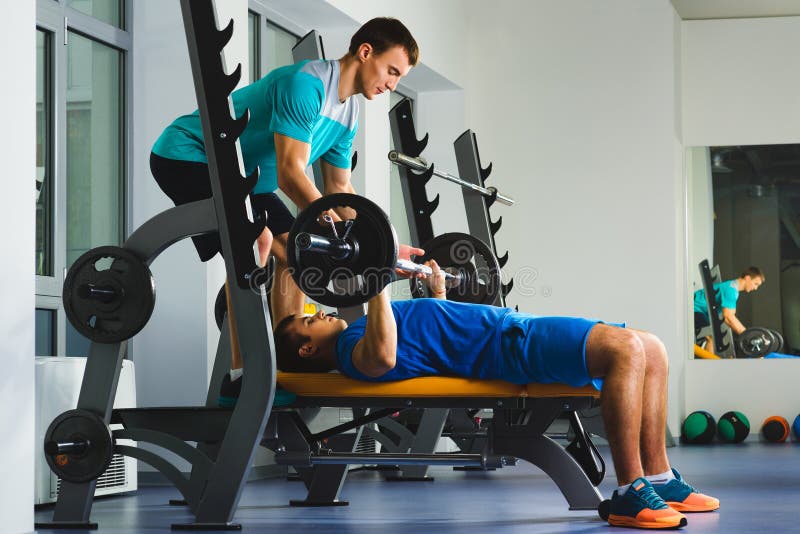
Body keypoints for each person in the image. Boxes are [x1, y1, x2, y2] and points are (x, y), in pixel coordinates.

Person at [274, 261, 719, 529]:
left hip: (507, 330)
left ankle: (659, 479)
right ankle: (628, 491)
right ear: (309, 348)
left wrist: (438, 294)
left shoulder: (358, 332)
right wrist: (376, 290)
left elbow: (432, 333)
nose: (319, 313)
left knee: (654, 348)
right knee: (625, 351)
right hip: (508, 346)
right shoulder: (354, 349)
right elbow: (385, 357)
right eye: (309, 320)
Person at [149, 18, 420, 399]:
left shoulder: (348, 113)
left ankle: (282, 363)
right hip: (188, 156)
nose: (392, 84)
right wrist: (336, 231)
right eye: (392, 71)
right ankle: (242, 377)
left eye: (399, 76)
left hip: (247, 180)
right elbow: (293, 175)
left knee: (300, 256)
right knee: (257, 240)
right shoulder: (305, 84)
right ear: (365, 52)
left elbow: (339, 188)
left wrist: (382, 241)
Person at [694, 266, 764, 337]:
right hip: (694, 309)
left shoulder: (733, 288)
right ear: (748, 278)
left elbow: (730, 316)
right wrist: (747, 335)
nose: (755, 288)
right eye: (756, 284)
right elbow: (728, 317)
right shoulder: (731, 290)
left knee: (715, 337)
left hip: (701, 312)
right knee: (712, 336)